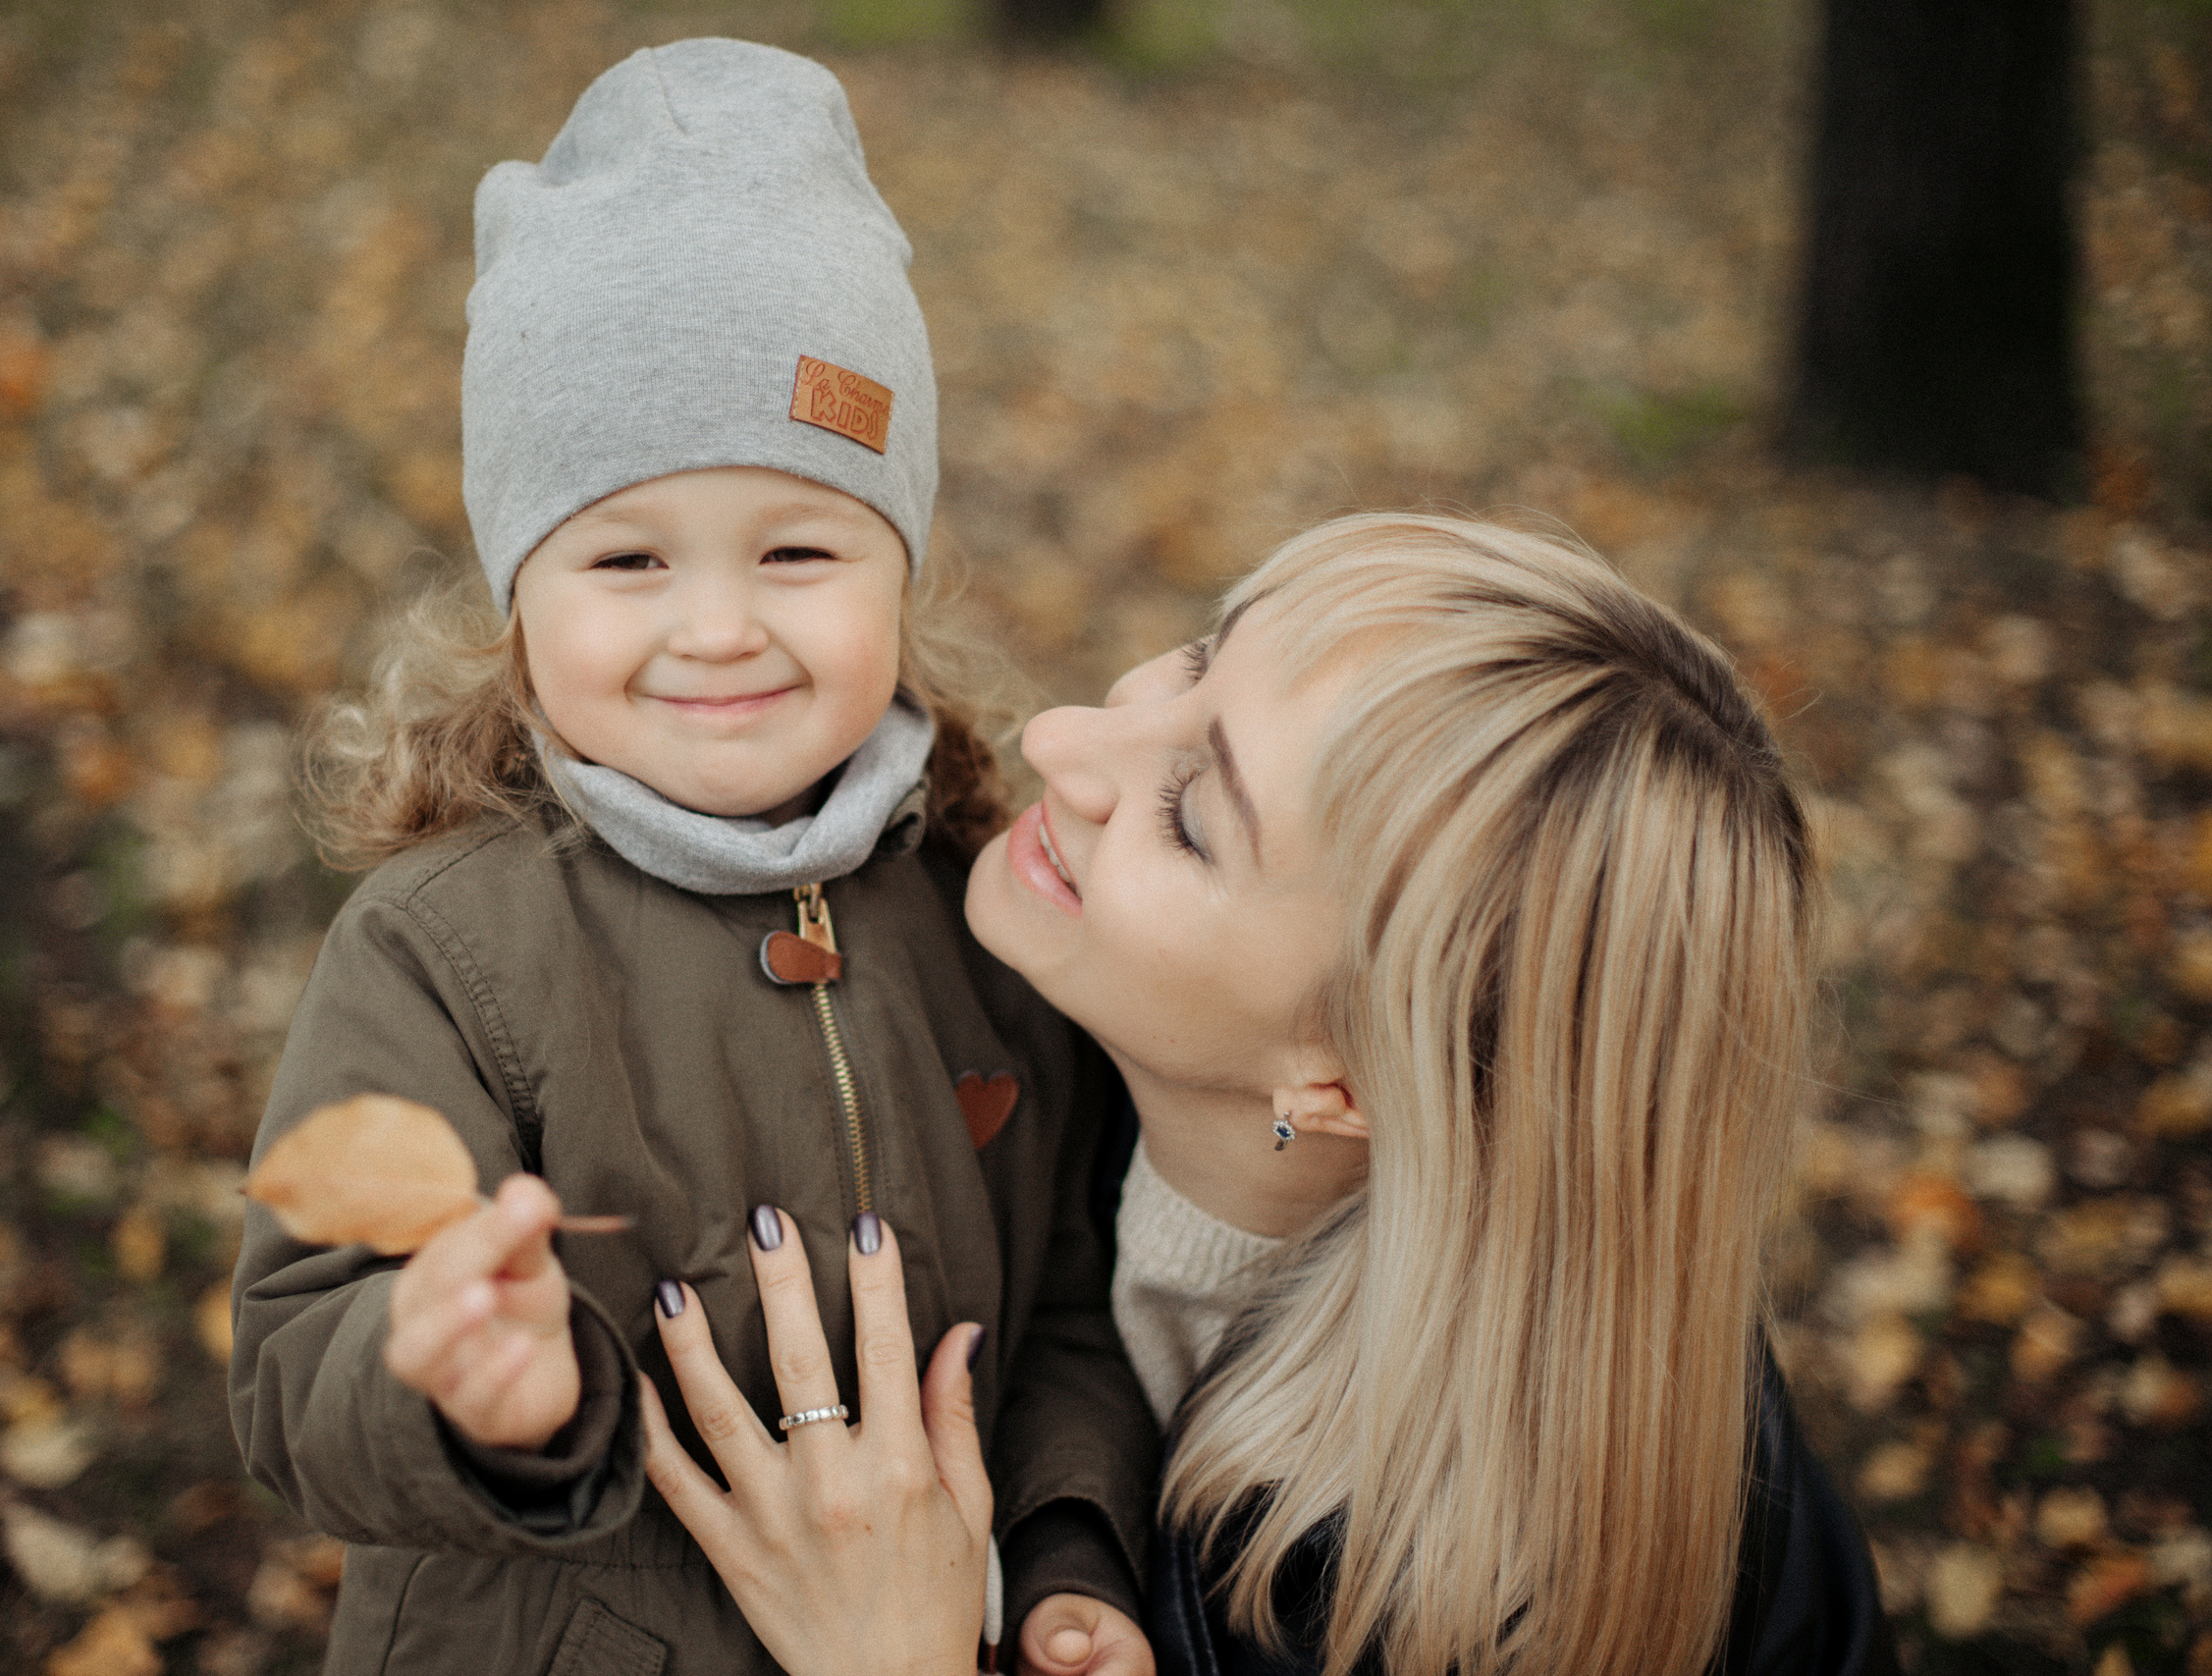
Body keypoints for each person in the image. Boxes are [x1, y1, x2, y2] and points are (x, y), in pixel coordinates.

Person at [227, 39, 1157, 1675]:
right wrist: (460, 1385)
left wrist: (1071, 1546)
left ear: (904, 569)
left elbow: (1072, 1302)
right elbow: (297, 1357)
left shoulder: (985, 909)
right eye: (629, 555)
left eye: (798, 547)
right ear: (524, 594)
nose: (717, 626)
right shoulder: (440, 949)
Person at [644, 513, 1897, 1676]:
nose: (1062, 738)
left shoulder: (1424, 1609)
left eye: (1191, 818)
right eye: (1196, 660)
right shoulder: (1020, 1031)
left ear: (1346, 1080)